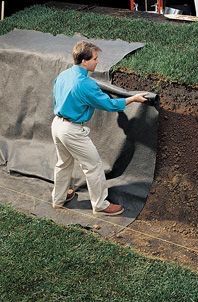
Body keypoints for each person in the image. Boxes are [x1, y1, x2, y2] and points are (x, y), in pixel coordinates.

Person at [51, 40, 147, 216]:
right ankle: (101, 205)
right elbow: (108, 104)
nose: (97, 62)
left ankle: (58, 199)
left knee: (63, 163)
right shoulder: (85, 84)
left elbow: (56, 98)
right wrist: (132, 99)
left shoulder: (63, 75)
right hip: (71, 130)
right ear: (84, 61)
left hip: (57, 124)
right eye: (95, 59)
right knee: (93, 166)